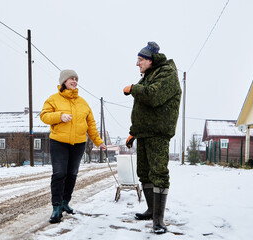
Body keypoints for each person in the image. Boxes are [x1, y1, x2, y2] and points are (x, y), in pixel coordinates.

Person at [123, 42, 181, 234]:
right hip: (144, 132)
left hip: (158, 133)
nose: (137, 64)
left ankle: (158, 220)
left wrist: (133, 88)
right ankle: (150, 210)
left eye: (140, 60)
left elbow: (153, 96)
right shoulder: (149, 75)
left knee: (159, 174)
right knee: (144, 173)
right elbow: (141, 109)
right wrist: (134, 132)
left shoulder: (167, 73)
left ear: (150, 60)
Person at [40, 69, 107, 224]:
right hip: (59, 142)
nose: (75, 81)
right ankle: (56, 207)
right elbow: (44, 116)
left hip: (78, 143)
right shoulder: (53, 99)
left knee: (72, 174)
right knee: (59, 173)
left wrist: (99, 142)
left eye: (76, 79)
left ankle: (65, 202)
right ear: (63, 81)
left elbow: (91, 125)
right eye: (71, 78)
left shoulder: (83, 102)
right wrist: (59, 116)